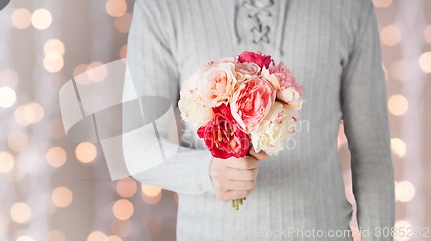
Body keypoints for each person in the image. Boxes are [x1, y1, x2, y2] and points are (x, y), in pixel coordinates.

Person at [127, 0, 395, 240]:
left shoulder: (350, 7)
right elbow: (137, 147)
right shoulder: (161, 7)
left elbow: (372, 151)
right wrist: (206, 172)